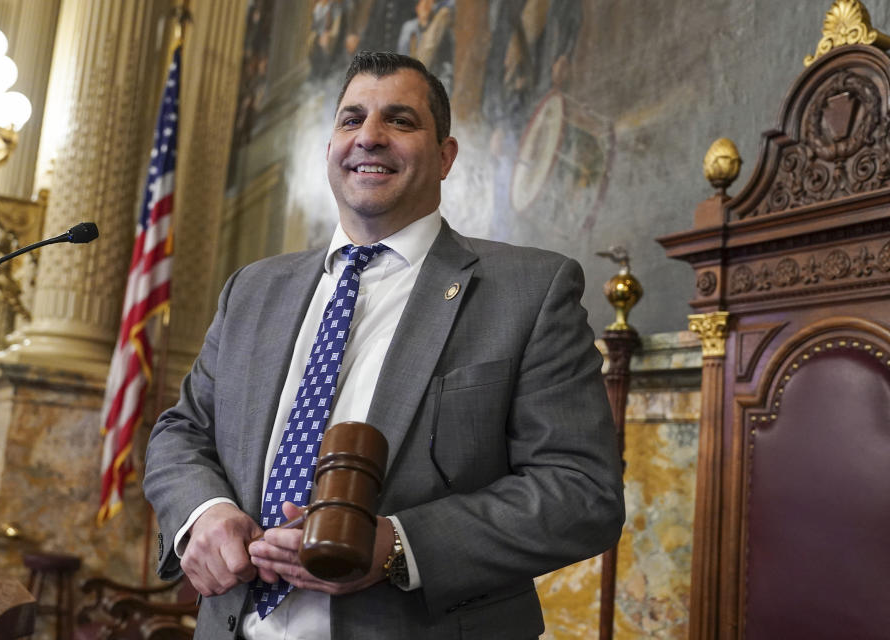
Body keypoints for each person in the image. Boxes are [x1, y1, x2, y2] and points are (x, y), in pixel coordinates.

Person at [143, 50, 624, 640]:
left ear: (446, 157)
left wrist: (400, 545)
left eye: (400, 120)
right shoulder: (253, 289)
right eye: (351, 120)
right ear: (329, 151)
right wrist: (203, 512)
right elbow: (181, 430)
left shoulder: (530, 290)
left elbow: (582, 492)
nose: (369, 137)